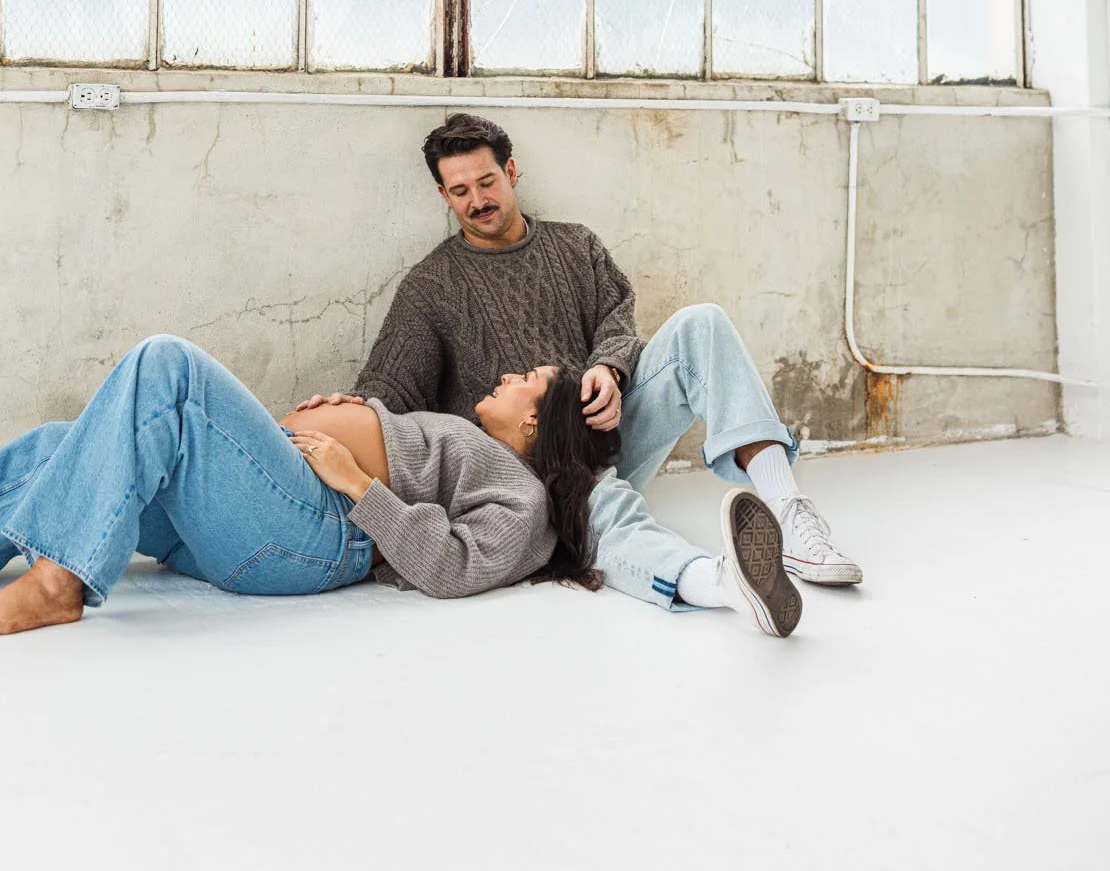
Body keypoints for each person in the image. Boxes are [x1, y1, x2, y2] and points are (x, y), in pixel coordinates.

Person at [0, 332, 798, 638]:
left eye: (524, 380)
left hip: (313, 538)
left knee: (162, 363)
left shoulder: (520, 494)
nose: (509, 375)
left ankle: (63, 576)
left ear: (539, 423)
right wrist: (328, 420)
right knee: (61, 435)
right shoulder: (451, 426)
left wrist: (356, 475)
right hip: (270, 511)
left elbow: (449, 567)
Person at [295, 111, 861, 631]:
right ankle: (714, 580)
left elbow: (619, 320)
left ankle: (790, 513)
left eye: (486, 182)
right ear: (444, 195)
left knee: (702, 323)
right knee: (599, 505)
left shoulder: (576, 246)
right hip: (531, 470)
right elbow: (389, 389)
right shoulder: (431, 287)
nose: (477, 201)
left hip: (608, 429)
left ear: (511, 171)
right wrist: (345, 410)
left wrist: (609, 371)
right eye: (460, 191)